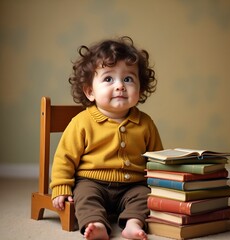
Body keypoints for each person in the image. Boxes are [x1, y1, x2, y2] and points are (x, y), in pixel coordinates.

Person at [50, 36, 163, 240]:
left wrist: (162, 186)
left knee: (145, 196)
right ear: (90, 91)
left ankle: (133, 223)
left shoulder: (145, 123)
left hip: (133, 185)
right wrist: (61, 185)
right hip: (92, 181)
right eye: (109, 79)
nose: (120, 86)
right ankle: (95, 223)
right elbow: (64, 157)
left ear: (141, 88)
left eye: (128, 79)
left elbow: (157, 160)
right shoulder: (82, 122)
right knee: (84, 197)